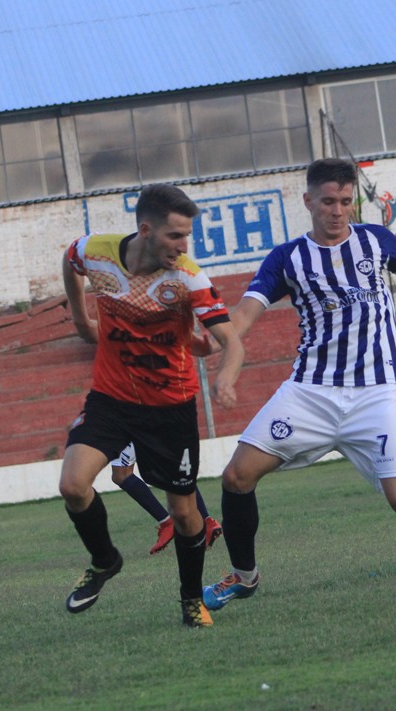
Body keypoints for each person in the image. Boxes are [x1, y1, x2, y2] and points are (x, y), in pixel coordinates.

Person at [202, 158, 396, 613]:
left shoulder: (376, 241)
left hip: (376, 394)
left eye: (345, 201)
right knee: (237, 476)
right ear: (308, 202)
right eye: (327, 202)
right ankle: (244, 577)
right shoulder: (288, 258)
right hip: (310, 392)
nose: (337, 211)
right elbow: (244, 314)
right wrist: (218, 341)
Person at [59, 183, 245, 627]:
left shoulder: (187, 277)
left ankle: (188, 599)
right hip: (111, 398)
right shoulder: (96, 252)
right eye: (175, 236)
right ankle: (105, 561)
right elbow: (70, 261)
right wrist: (81, 317)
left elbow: (230, 342)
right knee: (72, 485)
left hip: (169, 407)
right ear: (146, 230)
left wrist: (225, 377)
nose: (184, 247)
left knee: (184, 513)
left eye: (187, 237)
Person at [109, 443, 223, 555]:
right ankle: (208, 522)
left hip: (132, 425)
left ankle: (167, 523)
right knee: (171, 467)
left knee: (121, 474)